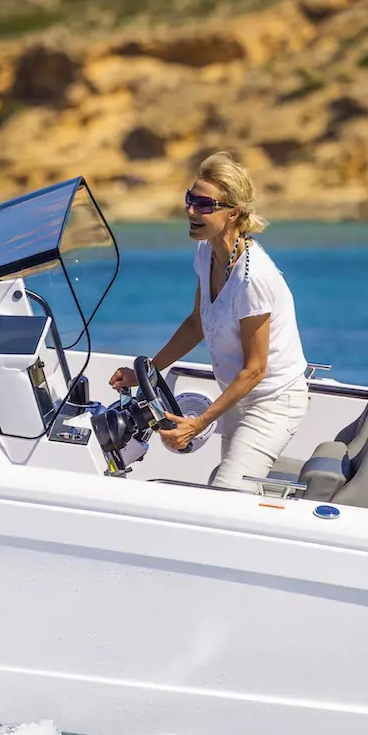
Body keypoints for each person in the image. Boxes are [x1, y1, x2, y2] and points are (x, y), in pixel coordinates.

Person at [111, 152, 309, 492]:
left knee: (226, 493)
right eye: (190, 199)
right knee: (233, 493)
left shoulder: (252, 279)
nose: (191, 211)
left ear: (233, 213)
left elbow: (256, 369)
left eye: (204, 205)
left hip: (273, 402)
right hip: (237, 396)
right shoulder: (207, 253)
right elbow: (196, 324)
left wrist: (198, 423)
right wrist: (147, 373)